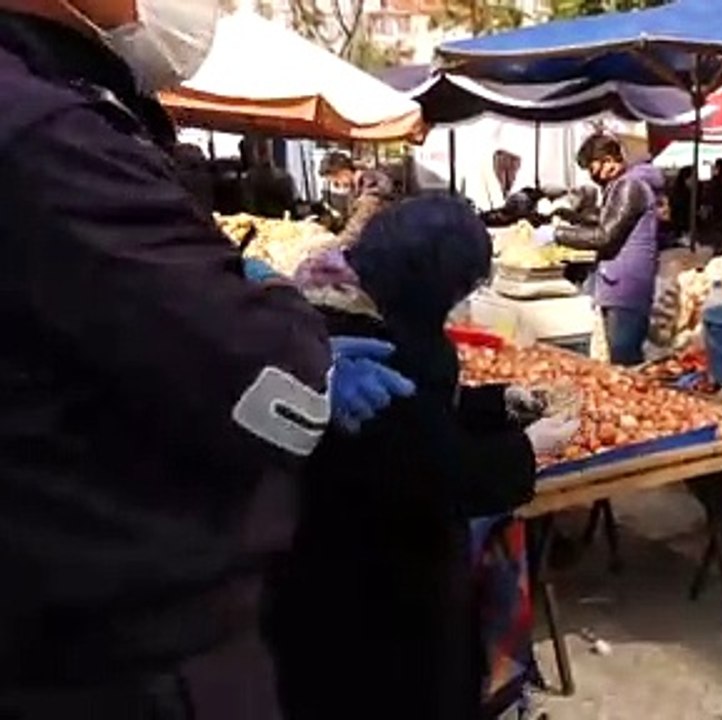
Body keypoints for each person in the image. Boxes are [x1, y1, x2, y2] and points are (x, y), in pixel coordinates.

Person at [0, 2, 415, 717]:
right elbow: (271, 384)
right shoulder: (42, 135)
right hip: (116, 653)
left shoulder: (53, 104)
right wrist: (279, 310)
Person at [267, 195, 580, 720]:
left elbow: (424, 414)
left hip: (341, 568)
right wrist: (529, 448)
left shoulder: (350, 300)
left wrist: (495, 402)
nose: (459, 303)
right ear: (431, 279)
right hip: (369, 593)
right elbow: (430, 471)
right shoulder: (367, 342)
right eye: (459, 289)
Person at [534, 134, 665, 366]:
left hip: (626, 288)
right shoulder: (623, 185)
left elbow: (605, 236)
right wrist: (570, 216)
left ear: (609, 161)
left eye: (592, 168)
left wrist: (557, 235)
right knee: (617, 358)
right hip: (619, 283)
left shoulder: (629, 186)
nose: (591, 176)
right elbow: (609, 219)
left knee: (623, 362)